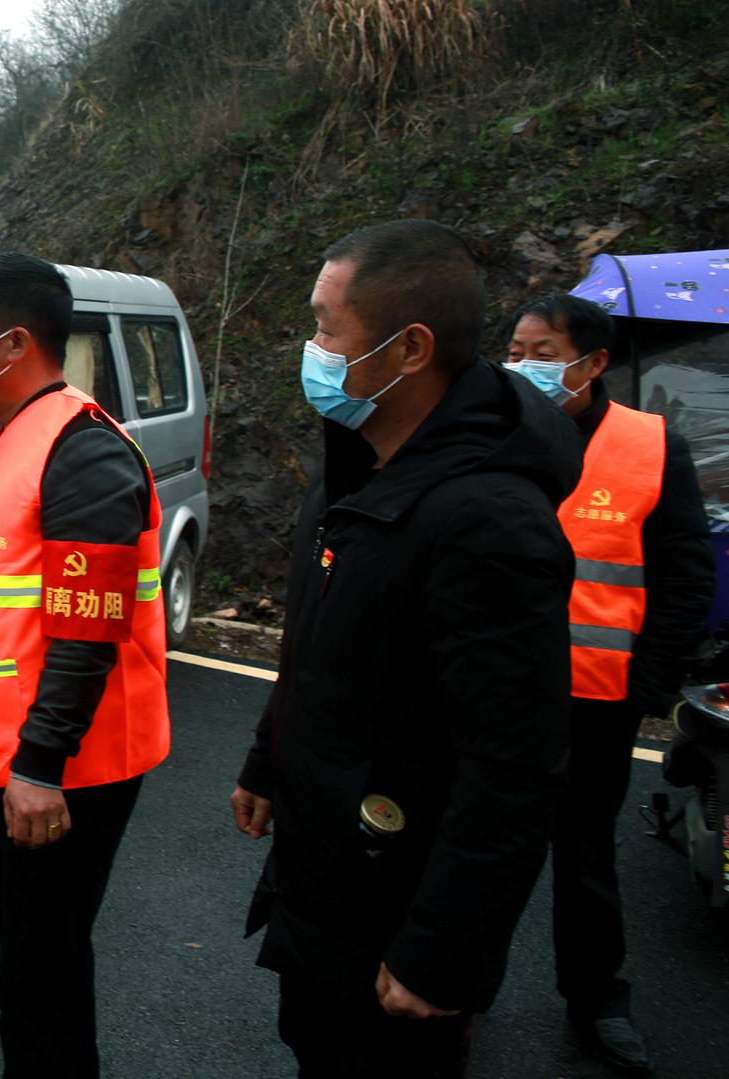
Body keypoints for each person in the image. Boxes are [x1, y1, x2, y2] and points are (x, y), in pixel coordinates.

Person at [229, 219, 585, 1078]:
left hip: (394, 905)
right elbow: (316, 646)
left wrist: (441, 950)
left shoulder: (488, 520)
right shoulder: (356, 467)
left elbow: (514, 763)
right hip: (323, 877)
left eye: (323, 324)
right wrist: (266, 761)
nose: (309, 346)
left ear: (409, 348)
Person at [0, 253, 168, 1078]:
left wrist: (38, 764)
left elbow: (85, 629)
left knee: (40, 972)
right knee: (35, 959)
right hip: (21, 763)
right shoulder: (15, 436)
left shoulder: (82, 450)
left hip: (65, 768)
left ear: (14, 341)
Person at [504, 293, 714, 1075]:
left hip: (596, 698)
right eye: (516, 350)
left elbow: (684, 577)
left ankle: (597, 997)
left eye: (542, 350)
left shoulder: (652, 447)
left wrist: (648, 687)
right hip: (493, 691)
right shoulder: (490, 430)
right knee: (478, 841)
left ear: (592, 363)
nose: (523, 365)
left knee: (584, 856)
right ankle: (457, 979)